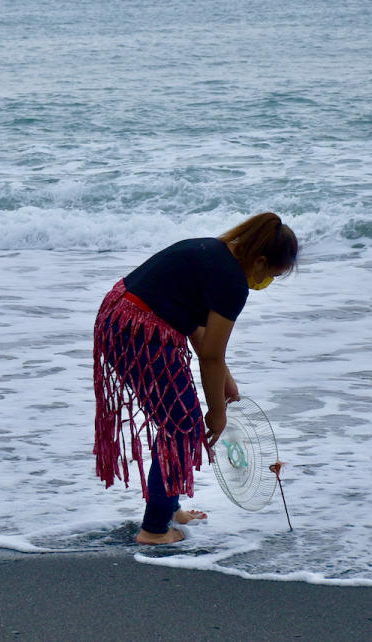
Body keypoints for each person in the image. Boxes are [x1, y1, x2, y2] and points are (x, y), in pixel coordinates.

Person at [93, 212, 298, 545]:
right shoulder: (232, 283)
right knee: (182, 426)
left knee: (179, 420)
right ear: (259, 262)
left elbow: (192, 324)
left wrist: (226, 380)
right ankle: (155, 530)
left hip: (118, 317)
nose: (267, 283)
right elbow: (211, 356)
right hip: (138, 331)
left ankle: (169, 507)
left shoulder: (211, 251)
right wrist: (217, 414)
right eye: (272, 274)